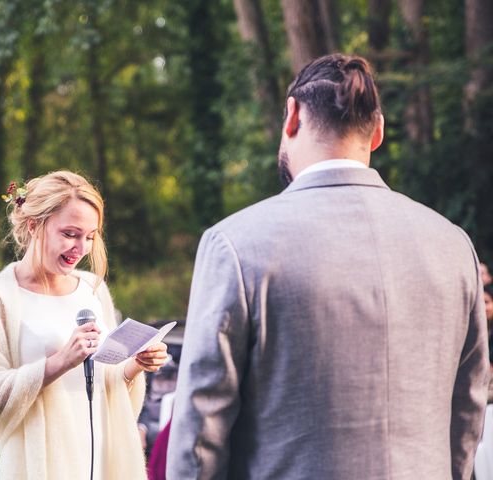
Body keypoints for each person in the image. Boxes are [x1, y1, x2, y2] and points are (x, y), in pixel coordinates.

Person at [167, 54, 489, 479]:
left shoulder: (236, 245)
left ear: (292, 116)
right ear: (377, 133)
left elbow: (199, 432)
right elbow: (468, 408)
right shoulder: (452, 245)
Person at [0, 171, 168, 480]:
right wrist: (60, 362)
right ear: (34, 225)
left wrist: (135, 366)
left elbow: (105, 380)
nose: (81, 248)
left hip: (102, 456)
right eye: (70, 234)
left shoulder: (93, 288)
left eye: (90, 236)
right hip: (44, 463)